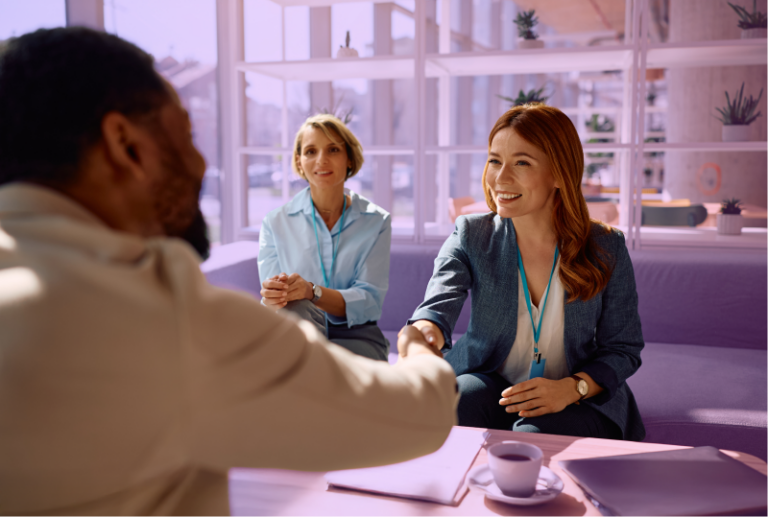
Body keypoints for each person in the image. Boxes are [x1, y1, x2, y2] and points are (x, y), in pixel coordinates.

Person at [0, 28, 458, 517]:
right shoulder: (169, 320)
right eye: (186, 134)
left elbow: (365, 300)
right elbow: (421, 416)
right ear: (125, 146)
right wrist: (412, 346)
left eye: (332, 150)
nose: (199, 163)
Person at [409, 104, 646, 441]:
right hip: (493, 379)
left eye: (522, 162)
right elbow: (438, 304)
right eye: (494, 160)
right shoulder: (472, 234)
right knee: (450, 403)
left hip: (576, 394)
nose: (500, 178)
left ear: (560, 174)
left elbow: (623, 349)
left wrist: (573, 387)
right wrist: (425, 331)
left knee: (533, 437)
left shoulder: (605, 247)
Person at [258, 114, 391, 361]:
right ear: (299, 162)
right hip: (297, 334)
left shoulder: (376, 221)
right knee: (293, 309)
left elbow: (370, 301)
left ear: (349, 158)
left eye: (333, 149)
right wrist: (273, 295)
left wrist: (312, 291)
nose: (321, 160)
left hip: (356, 335)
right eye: (310, 151)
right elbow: (275, 306)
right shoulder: (275, 223)